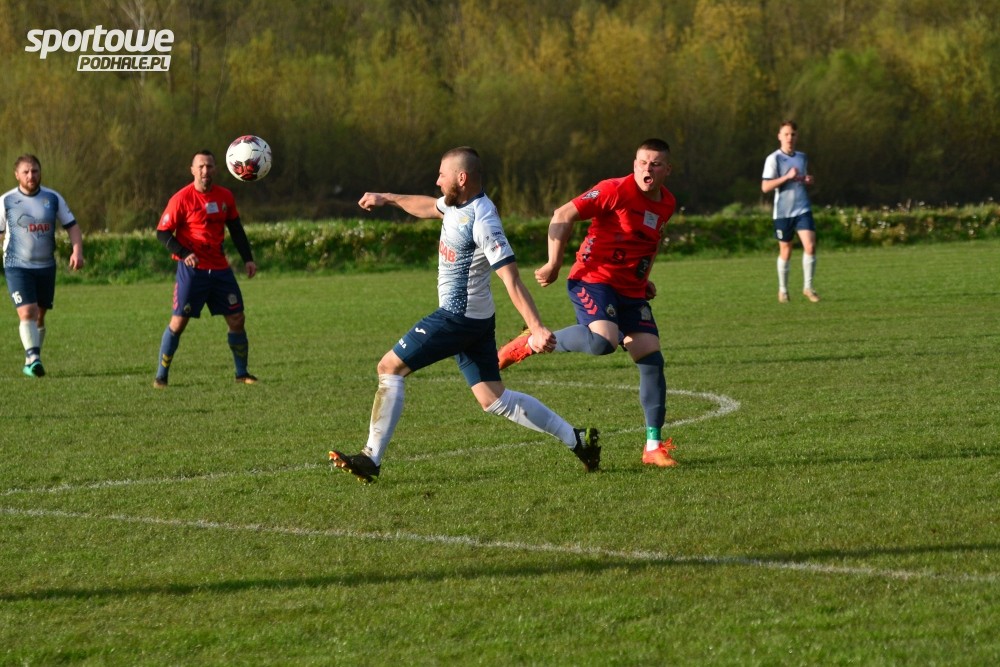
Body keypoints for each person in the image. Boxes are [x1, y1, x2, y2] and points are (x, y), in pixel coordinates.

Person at [329, 146, 600, 484]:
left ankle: (371, 457)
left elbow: (512, 279)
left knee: (389, 367)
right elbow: (428, 206)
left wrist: (537, 328)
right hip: (476, 322)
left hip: (457, 319)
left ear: (461, 177)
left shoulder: (483, 219)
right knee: (494, 399)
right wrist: (387, 198)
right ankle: (577, 440)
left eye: (442, 174)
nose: (437, 180)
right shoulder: (455, 204)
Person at [497, 138, 678, 468]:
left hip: (630, 290)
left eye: (655, 164)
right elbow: (562, 214)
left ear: (668, 169)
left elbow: (651, 244)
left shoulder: (667, 202)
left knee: (651, 356)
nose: (647, 169)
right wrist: (553, 263)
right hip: (593, 279)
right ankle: (531, 341)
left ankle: (653, 447)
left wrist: (643, 278)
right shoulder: (614, 190)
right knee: (602, 342)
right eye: (642, 162)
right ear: (634, 164)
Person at [153, 149, 258, 387]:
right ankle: (161, 376)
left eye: (209, 166)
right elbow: (162, 233)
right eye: (200, 166)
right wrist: (184, 253)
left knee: (237, 318)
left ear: (215, 170)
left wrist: (248, 259)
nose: (205, 170)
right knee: (178, 322)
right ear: (192, 170)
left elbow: (236, 229)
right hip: (193, 271)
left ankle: (242, 373)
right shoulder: (181, 199)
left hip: (220, 269)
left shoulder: (225, 196)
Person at [0, 154, 85, 377]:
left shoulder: (52, 198)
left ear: (40, 172)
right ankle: (34, 358)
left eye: (35, 171)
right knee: (27, 311)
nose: (31, 175)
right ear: (17, 175)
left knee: (39, 315)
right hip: (16, 266)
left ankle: (31, 359)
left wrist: (77, 251)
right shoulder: (6, 200)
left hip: (46, 266)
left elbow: (72, 226)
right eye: (26, 172)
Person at [761, 120, 819, 303]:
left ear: (797, 136)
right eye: (786, 134)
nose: (789, 138)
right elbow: (765, 187)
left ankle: (808, 288)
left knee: (810, 246)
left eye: (793, 134)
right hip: (783, 212)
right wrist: (786, 177)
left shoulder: (802, 157)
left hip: (802, 208)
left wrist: (806, 180)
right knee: (786, 251)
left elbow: (799, 179)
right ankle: (783, 291)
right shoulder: (774, 159)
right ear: (779, 136)